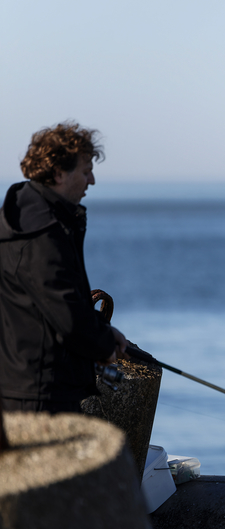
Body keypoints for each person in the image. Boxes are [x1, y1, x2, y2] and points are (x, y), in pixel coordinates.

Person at [0, 122, 128, 414]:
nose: (92, 180)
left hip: (21, 386)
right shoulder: (42, 232)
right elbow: (66, 314)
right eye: (85, 171)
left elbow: (50, 306)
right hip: (39, 398)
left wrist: (103, 333)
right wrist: (105, 342)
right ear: (58, 173)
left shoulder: (20, 217)